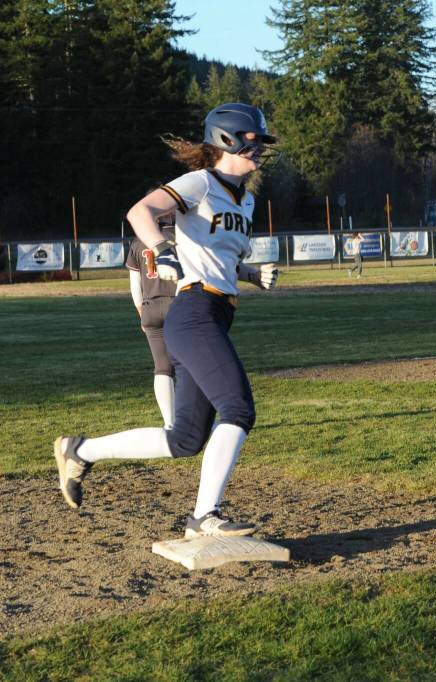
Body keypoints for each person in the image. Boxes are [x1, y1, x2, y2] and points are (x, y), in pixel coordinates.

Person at [53, 102, 281, 538]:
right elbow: (139, 212)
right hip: (193, 313)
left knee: (186, 439)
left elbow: (217, 259)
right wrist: (161, 247)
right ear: (227, 139)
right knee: (238, 408)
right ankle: (204, 516)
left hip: (215, 312)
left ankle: (81, 450)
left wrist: (250, 274)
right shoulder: (200, 181)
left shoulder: (246, 199)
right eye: (253, 142)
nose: (259, 151)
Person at [125, 211, 178, 429]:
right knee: (190, 365)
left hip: (150, 307)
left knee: (162, 367)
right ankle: (195, 419)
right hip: (179, 304)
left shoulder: (139, 241)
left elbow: (134, 284)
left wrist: (141, 313)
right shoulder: (181, 236)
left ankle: (169, 423)